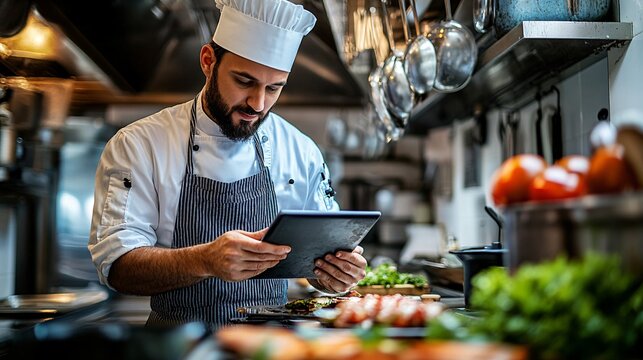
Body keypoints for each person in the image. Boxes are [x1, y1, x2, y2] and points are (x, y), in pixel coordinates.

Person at [88, 0, 367, 330]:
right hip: (178, 349)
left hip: (272, 348)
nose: (258, 103)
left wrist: (335, 274)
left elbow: (323, 259)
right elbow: (117, 267)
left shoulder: (301, 151)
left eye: (274, 87)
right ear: (208, 61)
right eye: (244, 81)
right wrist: (204, 260)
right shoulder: (139, 145)